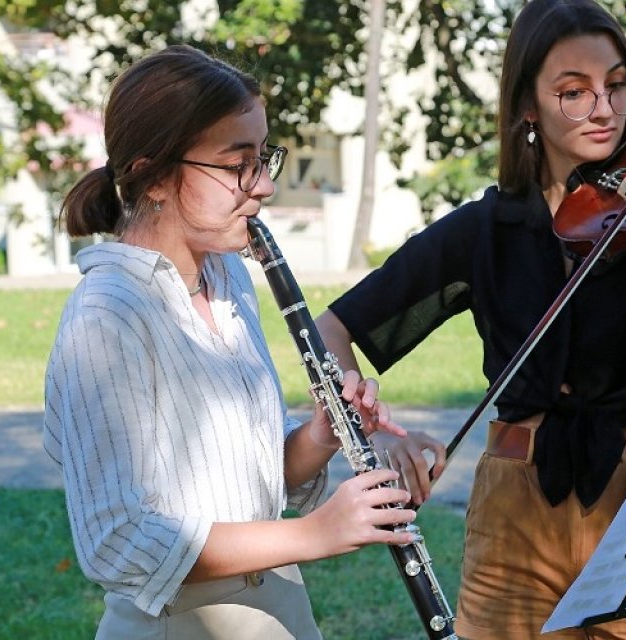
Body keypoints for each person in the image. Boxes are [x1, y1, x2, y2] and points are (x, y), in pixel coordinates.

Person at [315, 1, 626, 638]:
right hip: (513, 514)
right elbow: (332, 331)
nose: (604, 109)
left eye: (616, 86)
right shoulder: (484, 229)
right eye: (574, 91)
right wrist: (374, 436)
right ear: (528, 107)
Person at [43, 45, 419, 639]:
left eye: (263, 157)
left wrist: (319, 437)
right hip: (181, 624)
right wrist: (313, 533)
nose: (264, 186)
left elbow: (239, 484)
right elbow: (119, 541)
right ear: (154, 175)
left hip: (277, 608)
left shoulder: (227, 278)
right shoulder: (107, 315)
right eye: (238, 163)